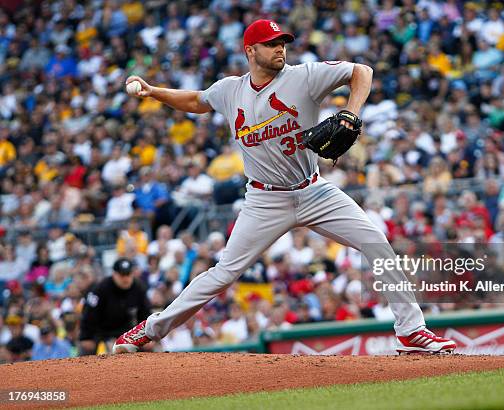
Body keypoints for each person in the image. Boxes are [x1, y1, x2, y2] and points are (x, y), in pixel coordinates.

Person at [114, 19, 456, 355]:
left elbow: (361, 72)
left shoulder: (303, 76)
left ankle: (411, 331)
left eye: (283, 42)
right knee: (223, 273)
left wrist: (351, 113)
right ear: (251, 51)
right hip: (264, 199)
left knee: (376, 242)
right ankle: (150, 329)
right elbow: (195, 101)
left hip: (314, 191)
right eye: (272, 44)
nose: (281, 48)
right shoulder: (230, 90)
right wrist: (154, 91)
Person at [79, 258, 151, 355]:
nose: (126, 279)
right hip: (103, 334)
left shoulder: (138, 288)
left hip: (128, 333)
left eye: (128, 274)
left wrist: (147, 336)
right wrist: (86, 337)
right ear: (114, 274)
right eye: (122, 275)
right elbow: (88, 314)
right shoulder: (100, 288)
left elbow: (145, 314)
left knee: (150, 350)